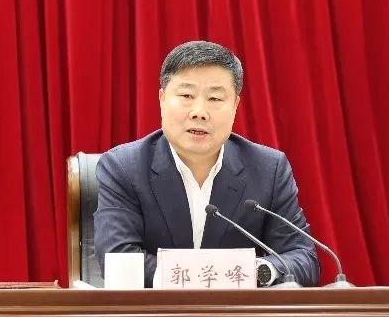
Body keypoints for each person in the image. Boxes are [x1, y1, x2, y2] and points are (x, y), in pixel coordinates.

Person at [94, 40, 319, 287]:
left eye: (214, 98)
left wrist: (258, 272)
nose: (199, 111)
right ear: (162, 99)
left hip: (236, 311)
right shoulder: (123, 167)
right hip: (157, 310)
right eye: (186, 96)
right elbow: (117, 258)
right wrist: (217, 277)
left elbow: (303, 258)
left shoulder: (268, 169)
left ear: (235, 106)